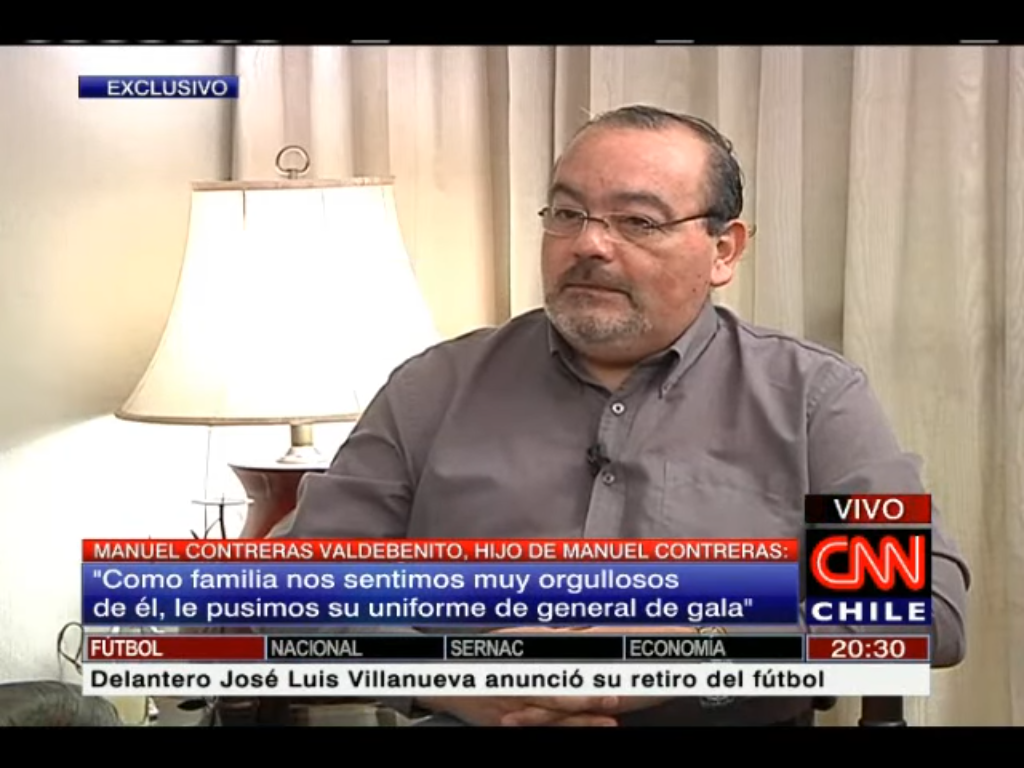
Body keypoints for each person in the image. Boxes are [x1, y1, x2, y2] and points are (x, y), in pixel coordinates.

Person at [276, 104, 970, 726]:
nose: (589, 244)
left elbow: (925, 609)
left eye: (638, 221)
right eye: (567, 213)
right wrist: (449, 677)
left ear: (724, 250)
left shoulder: (810, 396)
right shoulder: (434, 389)